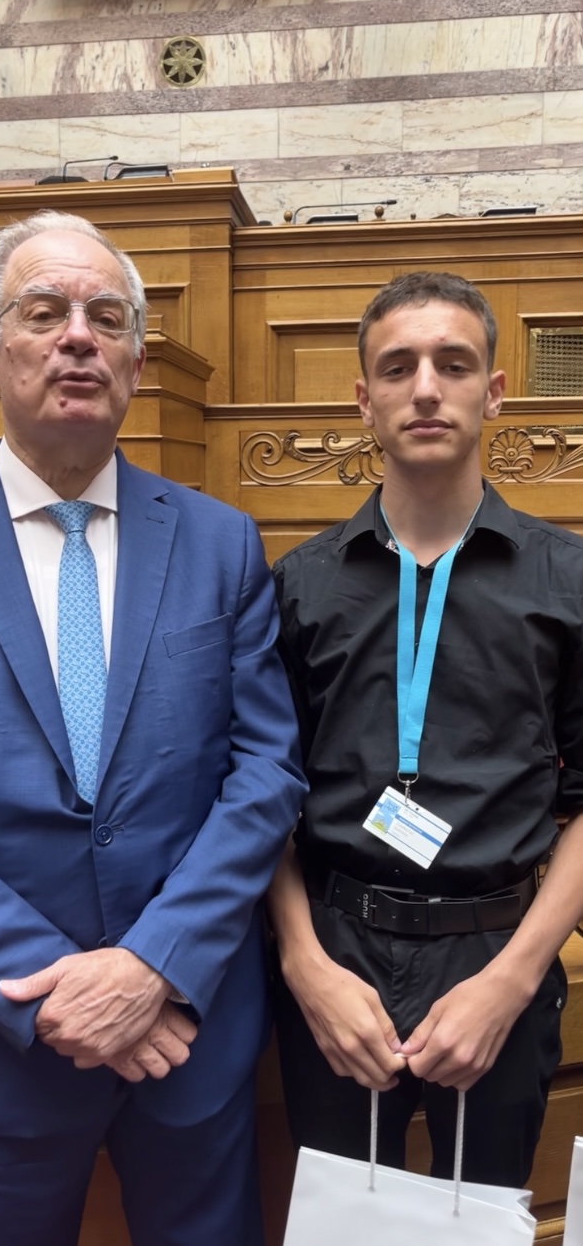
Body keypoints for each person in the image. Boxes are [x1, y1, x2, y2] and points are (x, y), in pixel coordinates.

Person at [0, 209, 306, 1246]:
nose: (78, 336)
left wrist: (151, 966)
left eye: (107, 317)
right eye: (45, 312)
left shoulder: (219, 542)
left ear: (134, 361)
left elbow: (264, 770)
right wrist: (51, 989)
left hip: (186, 1036)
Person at [269, 271, 583, 1188]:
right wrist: (303, 963)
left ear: (493, 391)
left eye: (453, 363)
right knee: (340, 1222)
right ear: (362, 400)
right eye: (397, 367)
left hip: (497, 949)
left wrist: (511, 980)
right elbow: (259, 795)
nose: (425, 388)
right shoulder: (300, 586)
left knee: (475, 1222)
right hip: (336, 949)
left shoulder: (566, 581)